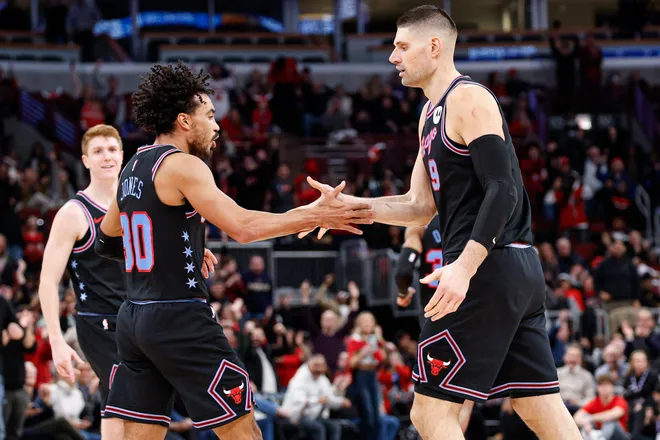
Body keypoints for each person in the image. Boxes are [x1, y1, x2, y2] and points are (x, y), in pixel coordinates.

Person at [301, 5, 581, 439]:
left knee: (429, 416)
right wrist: (351, 207)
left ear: (434, 47)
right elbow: (418, 206)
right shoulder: (429, 114)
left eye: (401, 46)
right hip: (511, 270)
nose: (393, 57)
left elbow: (503, 189)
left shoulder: (468, 97)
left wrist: (464, 269)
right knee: (539, 407)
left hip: (482, 269)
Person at [94, 61, 373, 440]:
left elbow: (107, 241)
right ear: (184, 121)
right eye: (209, 116)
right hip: (179, 316)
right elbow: (243, 228)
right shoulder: (184, 166)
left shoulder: (132, 166)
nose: (218, 125)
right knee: (244, 433)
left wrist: (179, 249)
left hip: (135, 319)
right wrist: (311, 215)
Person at [38, 124, 127, 440]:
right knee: (125, 398)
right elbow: (48, 281)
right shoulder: (73, 213)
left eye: (112, 150)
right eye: (98, 151)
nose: (107, 157)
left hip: (140, 317)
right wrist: (56, 340)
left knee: (133, 406)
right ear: (86, 160)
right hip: (98, 322)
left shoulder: (137, 204)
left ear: (122, 155)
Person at [393, 215, 474, 434]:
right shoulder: (472, 219)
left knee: (433, 399)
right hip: (471, 315)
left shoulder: (419, 225)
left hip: (435, 319)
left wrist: (403, 292)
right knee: (463, 399)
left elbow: (402, 271)